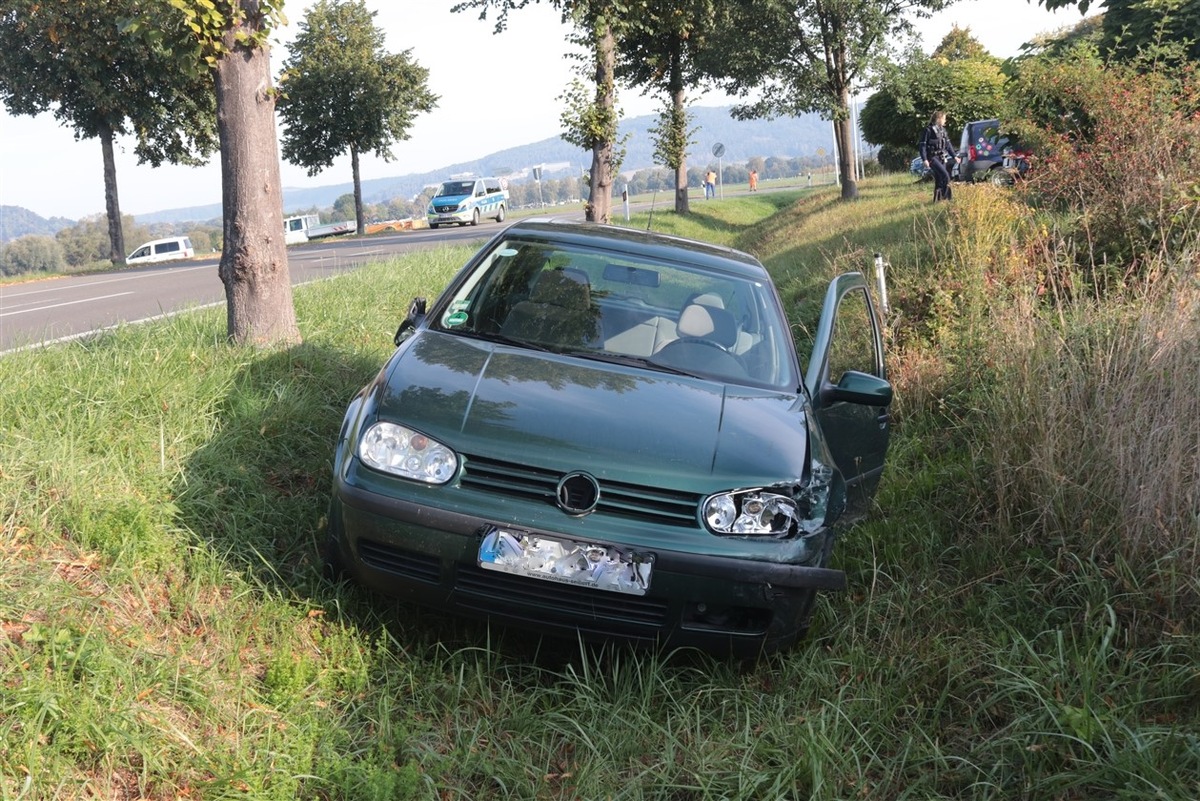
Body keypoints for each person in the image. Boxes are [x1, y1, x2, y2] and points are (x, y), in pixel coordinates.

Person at [919, 110, 960, 202]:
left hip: (942, 157)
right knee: (946, 176)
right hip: (932, 158)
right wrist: (924, 159)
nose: (945, 121)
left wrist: (954, 156)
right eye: (944, 119)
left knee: (939, 179)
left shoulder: (943, 130)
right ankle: (946, 198)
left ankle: (937, 200)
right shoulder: (928, 130)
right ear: (938, 119)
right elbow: (922, 146)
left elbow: (948, 145)